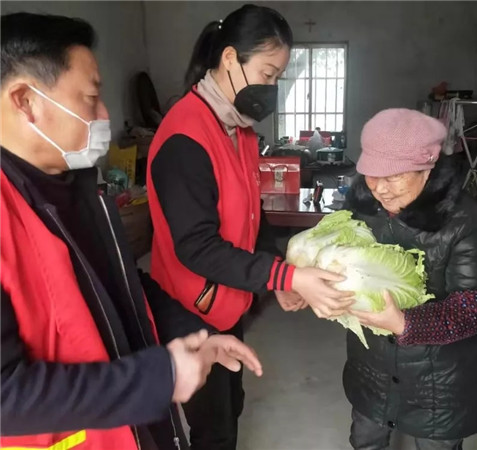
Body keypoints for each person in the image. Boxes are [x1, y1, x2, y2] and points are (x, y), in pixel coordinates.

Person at [0, 13, 263, 450]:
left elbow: (122, 287)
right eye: (90, 98)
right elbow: (7, 396)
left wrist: (193, 331)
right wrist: (158, 378)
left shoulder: (77, 187)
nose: (104, 114)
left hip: (135, 430)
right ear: (26, 101)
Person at [146, 4, 353, 449]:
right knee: (213, 428)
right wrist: (288, 276)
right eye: (267, 73)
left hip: (228, 301)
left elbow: (251, 220)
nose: (271, 88)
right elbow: (197, 247)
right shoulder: (185, 138)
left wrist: (277, 275)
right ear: (229, 59)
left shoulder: (238, 130)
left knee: (230, 407)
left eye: (278, 77)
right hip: (191, 309)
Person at [342, 109, 477, 450]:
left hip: (438, 381)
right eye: (371, 174)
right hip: (371, 367)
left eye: (394, 176)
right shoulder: (361, 209)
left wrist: (405, 323)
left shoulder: (465, 219)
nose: (380, 188)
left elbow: (475, 307)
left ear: (428, 167)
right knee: (365, 439)